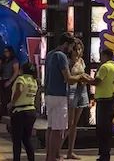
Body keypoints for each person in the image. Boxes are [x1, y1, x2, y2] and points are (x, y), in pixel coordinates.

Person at [44, 33, 81, 161]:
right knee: (58, 129)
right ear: (66, 44)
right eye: (71, 46)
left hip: (49, 94)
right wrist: (81, 77)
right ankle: (52, 157)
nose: (71, 49)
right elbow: (69, 79)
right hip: (59, 95)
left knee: (50, 127)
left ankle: (49, 156)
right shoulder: (61, 56)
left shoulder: (50, 54)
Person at [86, 47, 114, 161]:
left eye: (101, 56)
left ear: (105, 56)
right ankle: (106, 154)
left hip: (104, 102)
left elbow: (96, 81)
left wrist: (84, 78)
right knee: (107, 129)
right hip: (112, 100)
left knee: (102, 129)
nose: (100, 59)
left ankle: (104, 155)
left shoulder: (105, 67)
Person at [7, 61, 39, 161]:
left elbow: (19, 90)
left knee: (16, 140)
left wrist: (11, 103)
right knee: (26, 139)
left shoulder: (21, 79)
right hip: (31, 111)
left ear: (22, 70)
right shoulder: (34, 81)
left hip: (19, 111)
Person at [65, 39, 90, 159]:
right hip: (72, 90)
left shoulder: (82, 61)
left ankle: (70, 151)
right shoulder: (68, 61)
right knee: (69, 124)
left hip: (82, 90)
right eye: (75, 49)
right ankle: (57, 148)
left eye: (79, 49)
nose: (77, 52)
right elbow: (68, 77)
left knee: (75, 124)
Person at [0, 47, 20, 120]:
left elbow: (16, 72)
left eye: (7, 51)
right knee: (3, 99)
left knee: (9, 98)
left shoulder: (14, 60)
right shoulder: (3, 60)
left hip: (10, 80)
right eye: (4, 52)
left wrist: (10, 81)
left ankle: (9, 114)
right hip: (3, 80)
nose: (6, 53)